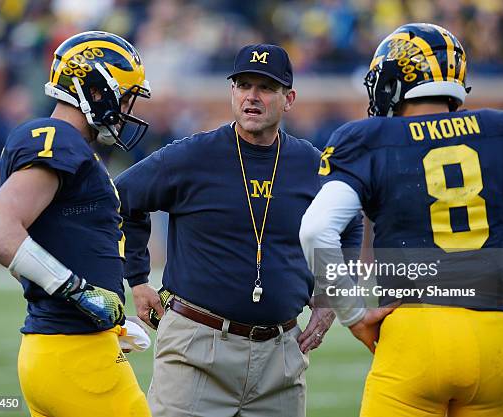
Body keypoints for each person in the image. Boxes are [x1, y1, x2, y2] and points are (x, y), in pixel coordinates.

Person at [300, 23, 503, 417]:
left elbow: (316, 228)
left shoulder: (370, 139)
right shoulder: (501, 132)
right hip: (497, 340)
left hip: (414, 336)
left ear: (392, 83)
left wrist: (352, 312)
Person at [115, 43, 362, 417]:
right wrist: (136, 278)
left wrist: (330, 295)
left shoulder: (312, 164)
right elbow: (121, 199)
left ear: (289, 98)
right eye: (243, 85)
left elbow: (350, 223)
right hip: (195, 352)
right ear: (231, 92)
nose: (252, 96)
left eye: (266, 87)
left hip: (281, 356)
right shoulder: (191, 155)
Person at [0, 31, 153, 417]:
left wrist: (111, 323)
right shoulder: (58, 139)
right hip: (75, 355)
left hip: (57, 348)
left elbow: (46, 247)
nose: (126, 108)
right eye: (124, 95)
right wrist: (80, 294)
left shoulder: (65, 145)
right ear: (95, 88)